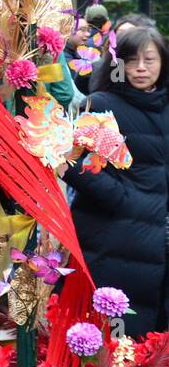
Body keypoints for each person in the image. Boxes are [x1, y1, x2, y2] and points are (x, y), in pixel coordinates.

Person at [65, 25, 169, 337]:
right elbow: (69, 164)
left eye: (149, 60)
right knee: (115, 343)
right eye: (131, 60)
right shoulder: (100, 105)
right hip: (111, 239)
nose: (140, 68)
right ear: (116, 64)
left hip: (159, 244)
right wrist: (120, 197)